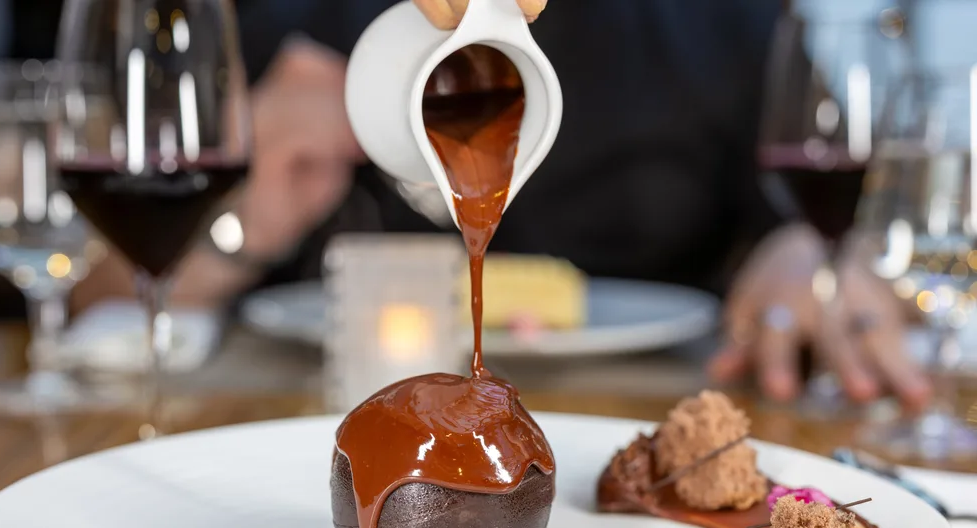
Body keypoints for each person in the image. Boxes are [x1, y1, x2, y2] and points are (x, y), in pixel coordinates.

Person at [75, 0, 931, 410]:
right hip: (298, 419)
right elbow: (91, 296)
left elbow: (834, 237)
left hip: (650, 411)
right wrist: (237, 219)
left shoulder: (721, 23)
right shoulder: (278, 21)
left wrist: (808, 252)